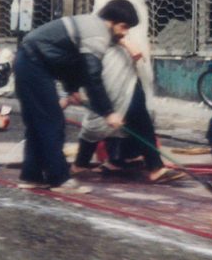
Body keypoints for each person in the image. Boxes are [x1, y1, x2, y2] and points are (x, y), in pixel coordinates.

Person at [14, 0, 138, 193]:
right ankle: (60, 179)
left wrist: (72, 89)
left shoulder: (92, 25)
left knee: (38, 125)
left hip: (28, 62)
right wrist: (108, 112)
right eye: (124, 27)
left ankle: (32, 176)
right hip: (33, 64)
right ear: (114, 22)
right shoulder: (98, 34)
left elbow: (73, 61)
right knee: (52, 123)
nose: (125, 33)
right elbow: (92, 76)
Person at [65, 44, 183, 183]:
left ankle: (122, 161)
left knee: (134, 117)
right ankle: (83, 164)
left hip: (123, 68)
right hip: (112, 66)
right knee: (107, 118)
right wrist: (129, 44)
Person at [92, 0, 154, 94]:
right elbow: (99, 24)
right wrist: (126, 43)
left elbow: (140, 27)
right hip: (113, 50)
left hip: (134, 54)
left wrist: (143, 46)